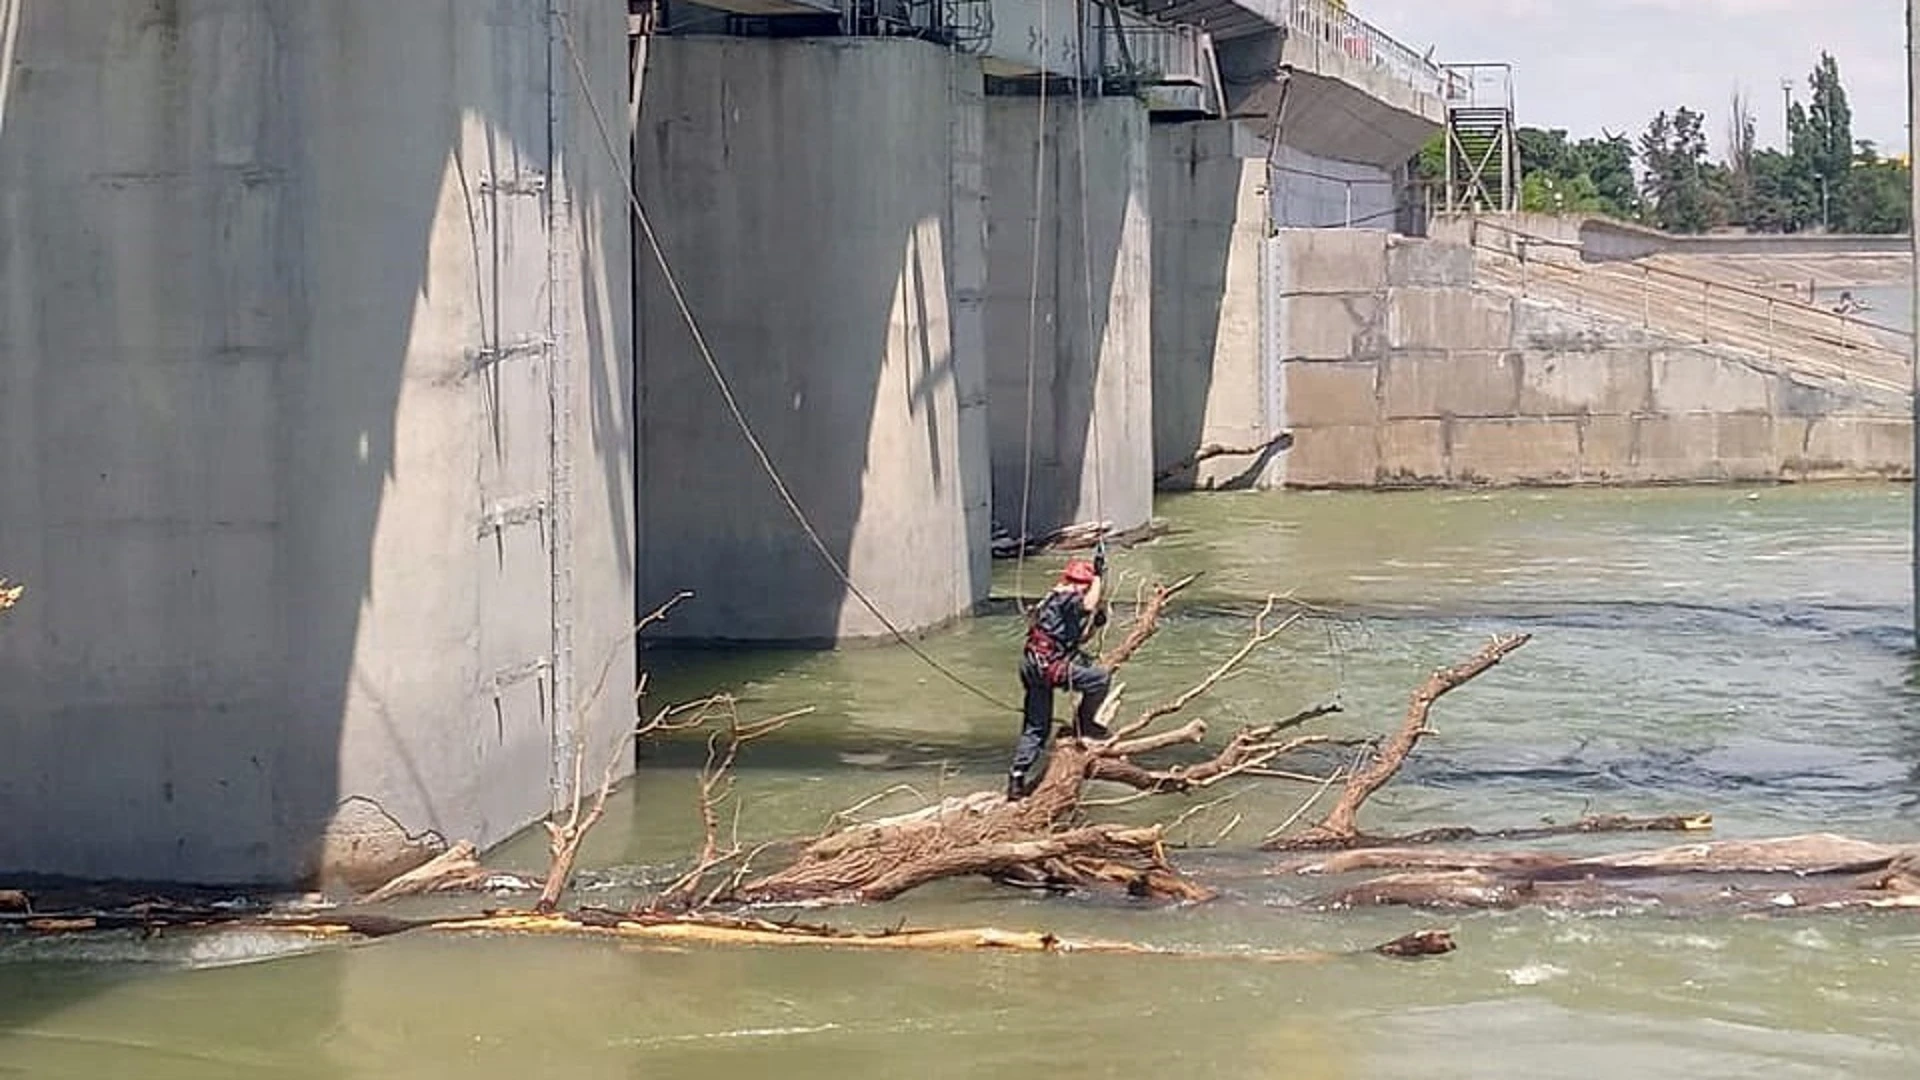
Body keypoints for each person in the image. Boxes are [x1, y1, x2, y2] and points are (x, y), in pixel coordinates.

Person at [1007, 547, 1112, 800]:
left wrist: (1096, 626)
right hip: (1047, 667)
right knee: (1100, 679)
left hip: (1034, 666)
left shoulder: (1053, 601)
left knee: (1037, 728)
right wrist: (1098, 576)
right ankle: (1084, 724)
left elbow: (1074, 638)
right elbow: (1087, 604)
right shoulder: (1067, 596)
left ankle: (1016, 778)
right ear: (1080, 584)